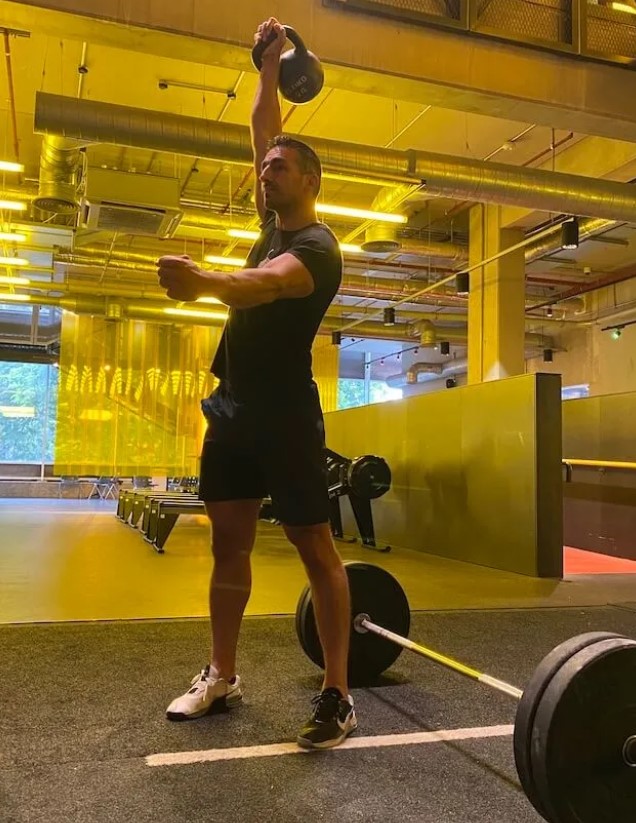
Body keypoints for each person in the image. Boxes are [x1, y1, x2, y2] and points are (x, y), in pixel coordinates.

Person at [156, 18, 356, 750]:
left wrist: (203, 278)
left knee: (314, 546)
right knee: (228, 547)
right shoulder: (273, 223)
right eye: (264, 165)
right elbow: (263, 122)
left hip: (285, 417)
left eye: (277, 167)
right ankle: (222, 673)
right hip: (233, 410)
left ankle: (338, 691)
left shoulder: (316, 248)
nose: (264, 171)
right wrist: (270, 67)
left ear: (309, 181)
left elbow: (264, 288)